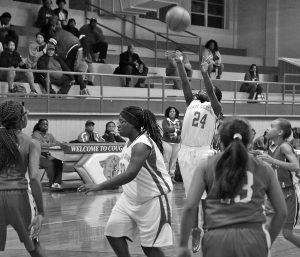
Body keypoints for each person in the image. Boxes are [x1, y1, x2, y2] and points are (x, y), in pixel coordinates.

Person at [177, 118, 287, 257]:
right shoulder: (264, 168)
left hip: (217, 237)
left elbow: (190, 207)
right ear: (249, 140)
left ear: (221, 140)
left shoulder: (206, 165)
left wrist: (182, 245)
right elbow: (282, 212)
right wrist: (267, 240)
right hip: (254, 237)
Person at [78, 106, 173, 257]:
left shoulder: (142, 144)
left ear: (133, 124)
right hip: (130, 198)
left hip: (153, 199)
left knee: (149, 248)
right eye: (118, 121)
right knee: (113, 233)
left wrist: (98, 186)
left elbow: (130, 174)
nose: (118, 125)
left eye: (122, 121)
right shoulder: (129, 142)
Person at [174, 51, 223, 253]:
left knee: (206, 197)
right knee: (192, 197)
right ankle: (196, 230)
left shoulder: (214, 108)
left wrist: (205, 73)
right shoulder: (192, 103)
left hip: (204, 154)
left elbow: (211, 92)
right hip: (185, 153)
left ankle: (209, 228)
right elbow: (186, 85)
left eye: (206, 89)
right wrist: (179, 64)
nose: (201, 90)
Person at [0, 101, 46, 257]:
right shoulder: (32, 142)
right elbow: (33, 177)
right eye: (26, 113)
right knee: (34, 245)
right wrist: (41, 212)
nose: (28, 115)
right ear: (20, 119)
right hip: (19, 197)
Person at [257, 118, 300, 249]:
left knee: (287, 234)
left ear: (280, 132)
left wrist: (271, 160)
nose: (268, 129)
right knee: (263, 227)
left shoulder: (285, 146)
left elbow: (296, 166)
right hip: (273, 193)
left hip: (288, 195)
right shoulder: (270, 145)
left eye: (271, 127)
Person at [48, 25, 90, 95]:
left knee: (71, 72)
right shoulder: (67, 33)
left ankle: (79, 84)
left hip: (71, 51)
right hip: (79, 48)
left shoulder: (57, 35)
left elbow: (51, 44)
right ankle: (82, 86)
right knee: (82, 67)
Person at [32, 119, 63, 191]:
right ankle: (52, 183)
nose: (46, 126)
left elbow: (56, 142)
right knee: (51, 164)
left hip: (50, 155)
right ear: (39, 125)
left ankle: (56, 183)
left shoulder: (50, 135)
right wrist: (52, 144)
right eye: (44, 124)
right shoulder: (36, 134)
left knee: (60, 163)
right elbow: (39, 145)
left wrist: (62, 144)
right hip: (39, 156)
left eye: (47, 124)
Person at [162, 106, 182, 182]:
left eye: (174, 111)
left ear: (176, 113)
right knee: (166, 159)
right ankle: (166, 176)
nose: (172, 113)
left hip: (176, 143)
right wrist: (176, 130)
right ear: (168, 113)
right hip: (167, 142)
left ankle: (172, 176)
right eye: (170, 111)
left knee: (174, 160)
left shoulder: (179, 121)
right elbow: (166, 130)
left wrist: (172, 130)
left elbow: (181, 131)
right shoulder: (165, 121)